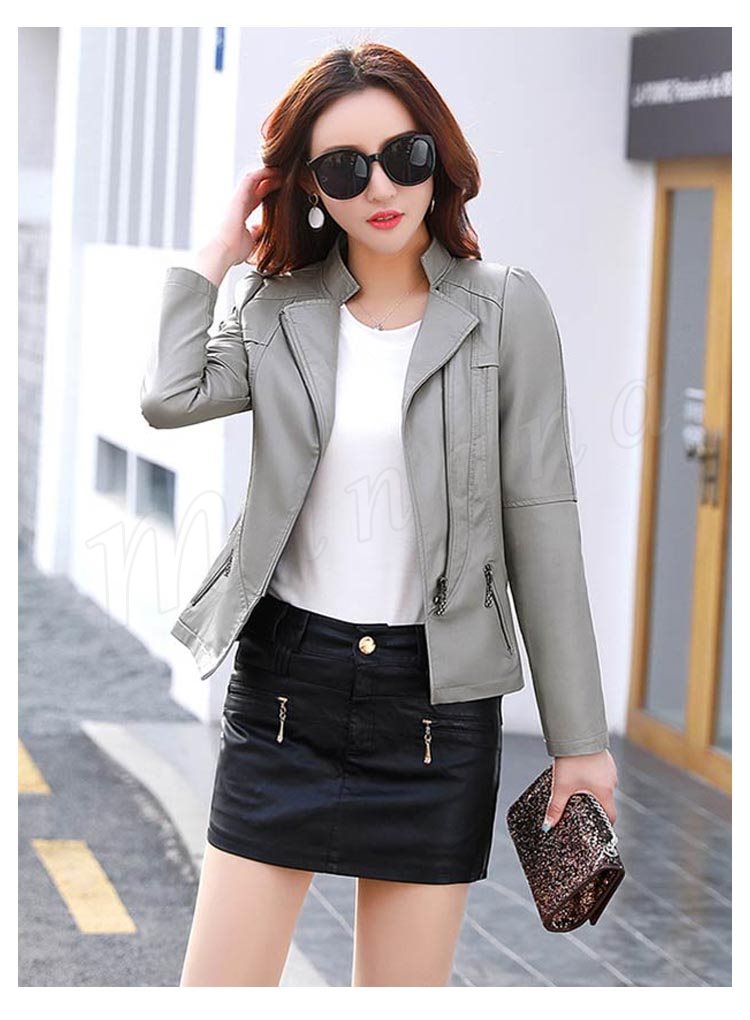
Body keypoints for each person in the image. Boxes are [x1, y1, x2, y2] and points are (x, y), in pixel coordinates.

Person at [143, 42, 618, 987]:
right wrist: (220, 251)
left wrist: (581, 744)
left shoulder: (505, 309)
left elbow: (542, 522)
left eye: (403, 155)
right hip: (286, 692)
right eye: (344, 168)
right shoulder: (277, 309)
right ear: (310, 187)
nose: (381, 187)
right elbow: (171, 395)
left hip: (436, 709)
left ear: (438, 156)